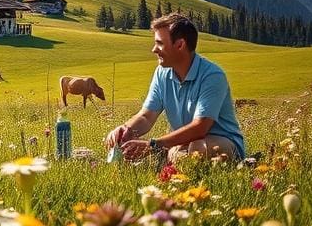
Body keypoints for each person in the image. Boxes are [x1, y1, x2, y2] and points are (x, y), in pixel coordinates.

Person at [105, 13, 245, 163]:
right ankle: (168, 157)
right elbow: (146, 116)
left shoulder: (212, 76)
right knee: (179, 153)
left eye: (160, 43)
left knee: (195, 149)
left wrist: (154, 145)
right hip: (181, 145)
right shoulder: (162, 73)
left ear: (180, 45)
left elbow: (200, 127)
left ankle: (168, 157)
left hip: (223, 143)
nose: (154, 49)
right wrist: (125, 130)